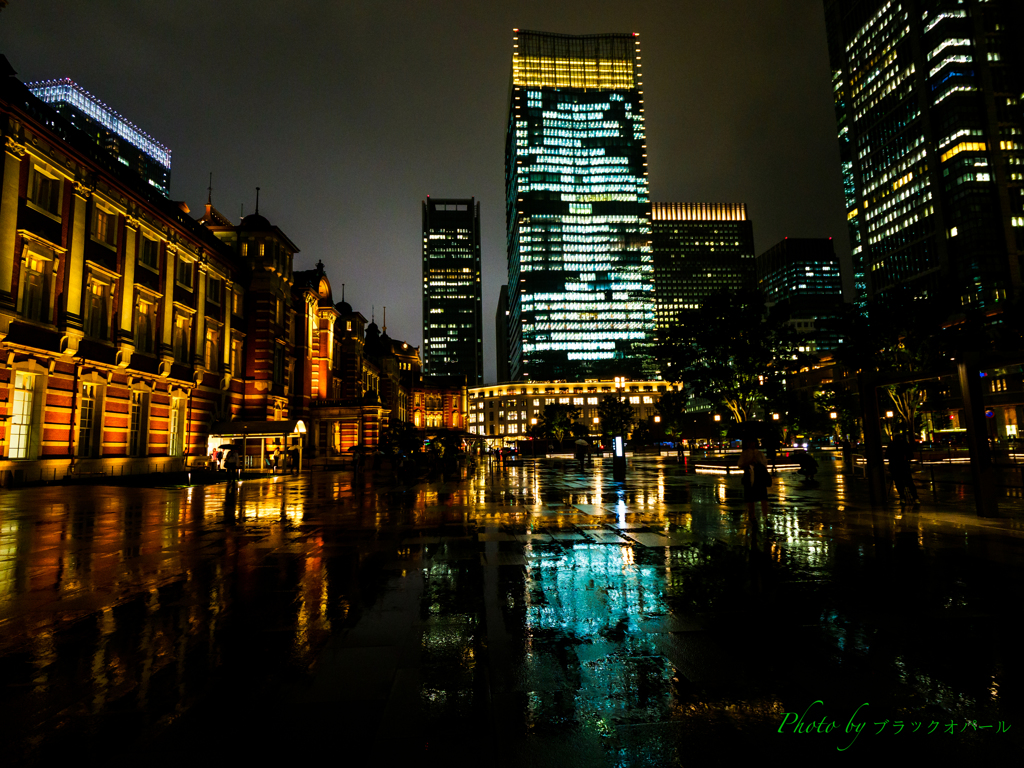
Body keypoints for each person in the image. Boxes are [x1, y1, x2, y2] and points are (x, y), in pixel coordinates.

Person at [738, 438, 771, 534]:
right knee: (750, 497)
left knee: (763, 497)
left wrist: (757, 462)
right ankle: (752, 516)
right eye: (750, 442)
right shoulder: (745, 453)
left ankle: (765, 516)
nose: (751, 444)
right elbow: (740, 465)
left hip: (759, 476)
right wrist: (749, 462)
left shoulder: (759, 453)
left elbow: (764, 464)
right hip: (749, 476)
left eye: (753, 442)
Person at [885, 435, 919, 504]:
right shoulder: (905, 444)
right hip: (904, 465)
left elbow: (887, 455)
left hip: (895, 466)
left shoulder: (892, 445)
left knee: (899, 483)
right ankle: (915, 497)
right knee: (909, 482)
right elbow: (911, 455)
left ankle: (902, 497)